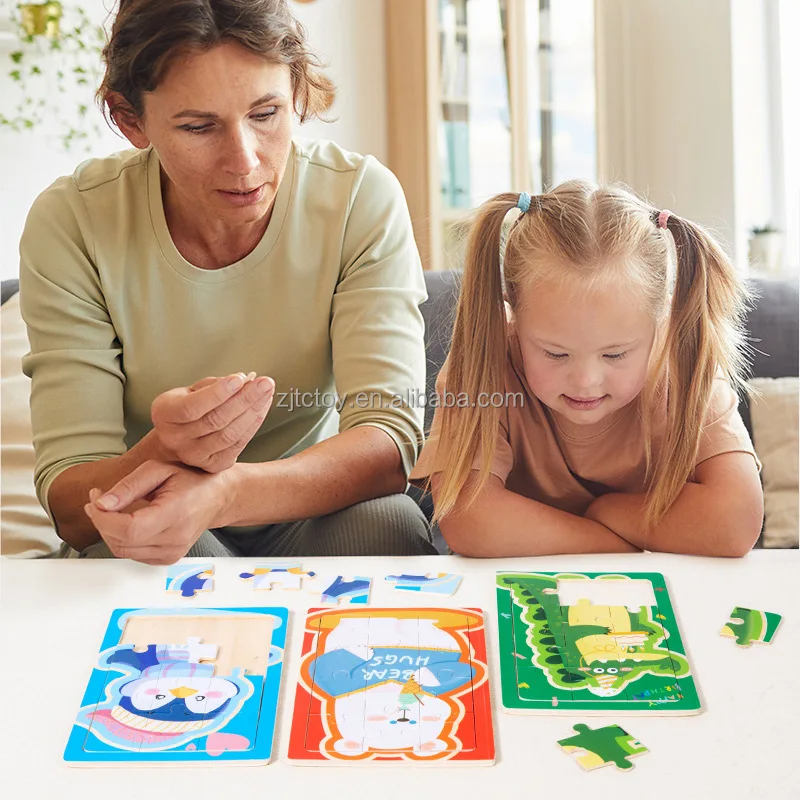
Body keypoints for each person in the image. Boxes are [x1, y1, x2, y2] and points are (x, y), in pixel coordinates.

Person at [19, 0, 437, 564]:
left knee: (389, 522)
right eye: (198, 127)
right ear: (130, 121)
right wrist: (163, 451)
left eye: (266, 115)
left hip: (305, 503)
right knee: (140, 550)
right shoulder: (74, 221)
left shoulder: (358, 197)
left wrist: (226, 493)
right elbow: (72, 508)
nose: (243, 161)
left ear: (298, 96)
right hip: (158, 513)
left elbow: (390, 444)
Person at [409, 183, 764, 557]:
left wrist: (605, 509)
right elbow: (470, 521)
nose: (585, 381)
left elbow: (736, 520)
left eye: (615, 355)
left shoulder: (683, 359)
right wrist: (619, 542)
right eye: (555, 354)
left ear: (664, 320)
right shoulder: (485, 356)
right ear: (512, 312)